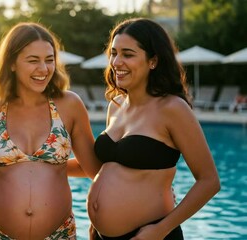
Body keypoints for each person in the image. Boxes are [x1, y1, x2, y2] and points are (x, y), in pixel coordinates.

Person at [0, 22, 102, 239]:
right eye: (33, 60)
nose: (44, 69)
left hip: (59, 234)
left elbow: (95, 170)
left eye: (49, 60)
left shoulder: (69, 105)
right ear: (11, 63)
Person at [87, 18, 221, 240]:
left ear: (153, 61)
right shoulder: (116, 105)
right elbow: (110, 169)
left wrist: (161, 230)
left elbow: (209, 181)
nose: (116, 62)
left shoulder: (172, 108)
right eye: (113, 53)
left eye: (128, 54)